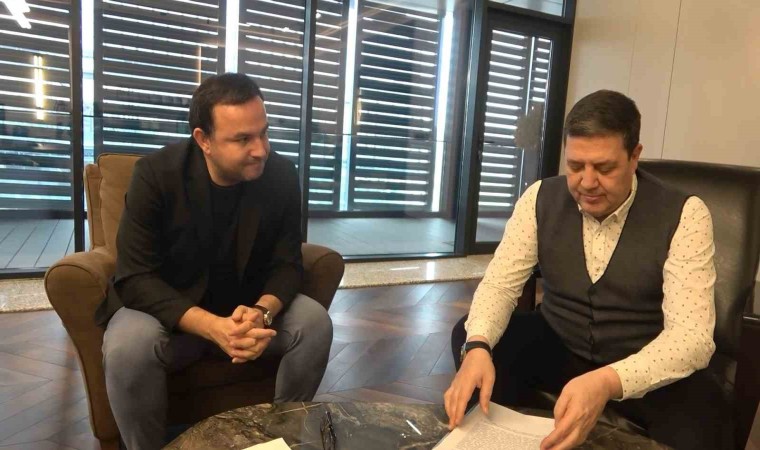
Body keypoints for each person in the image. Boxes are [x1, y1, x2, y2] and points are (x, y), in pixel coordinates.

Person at [444, 90, 732, 449]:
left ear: (635, 156)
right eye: (575, 166)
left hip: (642, 358)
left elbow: (691, 338)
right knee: (473, 337)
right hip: (559, 342)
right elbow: (500, 285)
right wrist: (477, 346)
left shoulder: (685, 214)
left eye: (604, 168)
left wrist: (608, 380)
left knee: (704, 415)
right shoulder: (539, 199)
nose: (587, 182)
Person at [94, 73, 333, 450]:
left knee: (314, 323)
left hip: (245, 312)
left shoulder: (281, 175)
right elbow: (135, 277)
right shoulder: (156, 175)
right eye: (243, 139)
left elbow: (288, 263)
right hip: (169, 317)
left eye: (264, 133)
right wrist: (212, 327)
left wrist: (262, 313)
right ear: (203, 140)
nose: (260, 150)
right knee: (128, 344)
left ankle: (280, 439)